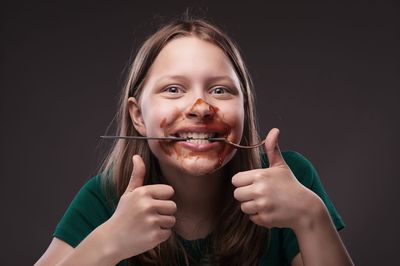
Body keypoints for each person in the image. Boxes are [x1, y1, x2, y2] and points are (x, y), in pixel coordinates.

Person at [35, 17, 353, 266]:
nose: (200, 109)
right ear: (138, 116)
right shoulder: (106, 197)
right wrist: (107, 243)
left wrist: (311, 216)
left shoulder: (292, 181)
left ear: (244, 109)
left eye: (220, 90)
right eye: (174, 89)